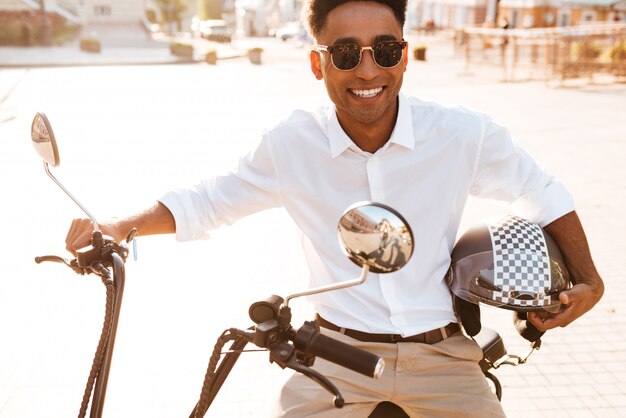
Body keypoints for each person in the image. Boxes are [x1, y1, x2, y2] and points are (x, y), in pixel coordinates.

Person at [65, 1, 604, 416]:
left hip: (443, 356)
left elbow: (542, 190)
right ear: (317, 64)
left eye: (385, 50)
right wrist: (119, 227)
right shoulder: (291, 144)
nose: (368, 70)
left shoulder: (462, 133)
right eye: (346, 53)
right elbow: (209, 200)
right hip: (331, 355)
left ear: (405, 56)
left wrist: (591, 282)